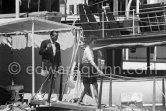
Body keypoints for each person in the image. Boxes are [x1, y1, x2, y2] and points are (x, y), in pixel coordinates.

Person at [78, 36, 104, 105]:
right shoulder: (87, 49)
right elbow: (91, 61)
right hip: (86, 68)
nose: (95, 43)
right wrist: (99, 70)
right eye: (94, 42)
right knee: (87, 86)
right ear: (90, 42)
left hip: (90, 68)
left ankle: (97, 102)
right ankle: (80, 99)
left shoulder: (90, 49)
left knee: (95, 84)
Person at [37, 31, 61, 103]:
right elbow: (40, 52)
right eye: (55, 36)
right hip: (46, 64)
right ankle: (40, 94)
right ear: (51, 36)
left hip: (54, 64)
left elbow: (58, 55)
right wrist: (47, 48)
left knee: (53, 79)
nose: (56, 37)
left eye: (57, 36)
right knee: (47, 79)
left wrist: (59, 65)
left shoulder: (58, 45)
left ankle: (52, 95)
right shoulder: (45, 42)